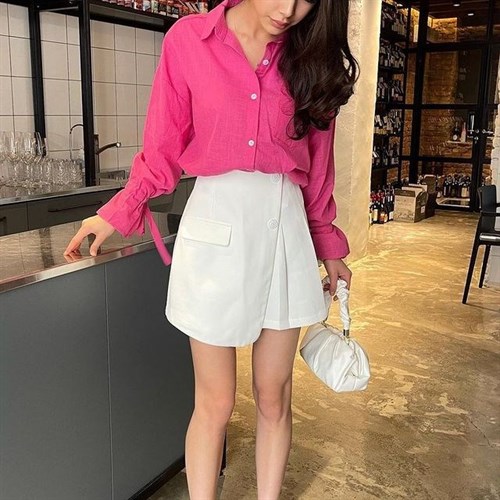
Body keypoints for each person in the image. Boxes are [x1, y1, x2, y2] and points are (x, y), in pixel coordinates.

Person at [64, 0, 358, 498]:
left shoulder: (312, 56)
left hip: (285, 231)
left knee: (274, 395)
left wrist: (328, 244)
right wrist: (118, 210)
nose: (289, 9)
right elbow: (162, 148)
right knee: (215, 402)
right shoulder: (188, 41)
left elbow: (318, 170)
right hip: (215, 229)